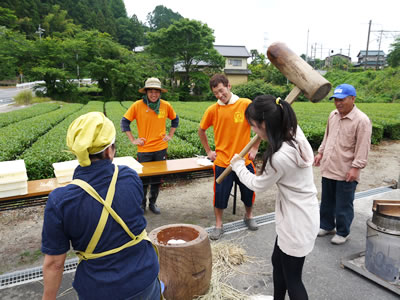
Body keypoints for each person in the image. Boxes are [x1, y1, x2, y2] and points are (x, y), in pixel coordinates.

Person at [41, 112, 161, 300]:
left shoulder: (60, 200)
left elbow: (54, 264)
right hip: (145, 278)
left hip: (101, 290)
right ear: (109, 151)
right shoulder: (130, 177)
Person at [230, 95, 319, 300]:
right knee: (277, 262)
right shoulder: (294, 133)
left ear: (264, 124)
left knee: (293, 279)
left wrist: (238, 166)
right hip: (299, 215)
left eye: (254, 125)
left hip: (296, 221)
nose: (253, 130)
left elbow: (257, 185)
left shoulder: (280, 158)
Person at [198, 74, 260, 240]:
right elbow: (201, 130)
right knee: (220, 195)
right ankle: (218, 225)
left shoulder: (245, 104)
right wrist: (209, 152)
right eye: (216, 93)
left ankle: (249, 216)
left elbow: (260, 125)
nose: (219, 95)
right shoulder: (213, 110)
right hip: (223, 163)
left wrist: (254, 148)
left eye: (221, 90)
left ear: (229, 86)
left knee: (248, 191)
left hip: (243, 160)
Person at [314, 83, 372, 245]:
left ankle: (342, 231)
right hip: (329, 166)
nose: (338, 103)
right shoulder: (333, 115)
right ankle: (326, 225)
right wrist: (321, 152)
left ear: (352, 99)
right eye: (335, 100)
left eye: (342, 100)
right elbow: (327, 136)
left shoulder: (362, 120)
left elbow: (363, 146)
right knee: (327, 201)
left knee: (343, 204)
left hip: (346, 169)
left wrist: (356, 167)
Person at [121, 77, 179, 214]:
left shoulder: (165, 105)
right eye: (151, 91)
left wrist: (170, 135)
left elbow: (175, 120)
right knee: (143, 180)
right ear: (146, 92)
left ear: (160, 92)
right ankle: (142, 205)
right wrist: (133, 139)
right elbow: (125, 122)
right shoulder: (137, 105)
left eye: (156, 91)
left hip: (160, 149)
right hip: (144, 150)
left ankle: (153, 203)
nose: (154, 94)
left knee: (157, 180)